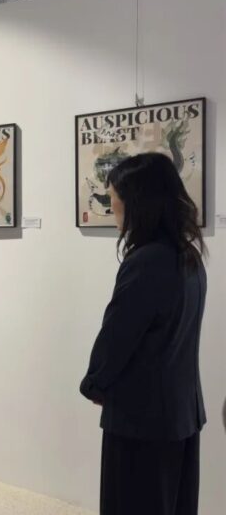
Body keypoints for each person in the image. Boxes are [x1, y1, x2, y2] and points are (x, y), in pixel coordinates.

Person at [80, 152, 206, 515]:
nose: (112, 206)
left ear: (137, 201)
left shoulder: (147, 261)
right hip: (179, 411)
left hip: (142, 418)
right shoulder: (188, 256)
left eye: (114, 198)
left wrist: (95, 384)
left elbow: (118, 336)